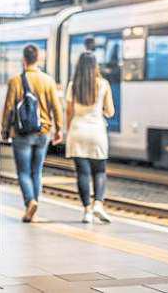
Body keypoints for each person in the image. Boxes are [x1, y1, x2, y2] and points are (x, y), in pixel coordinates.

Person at [1, 44, 63, 223]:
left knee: (23, 172)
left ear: (24, 60)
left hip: (21, 133)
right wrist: (58, 129)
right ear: (39, 59)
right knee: (37, 172)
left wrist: (4, 130)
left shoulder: (15, 81)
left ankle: (30, 201)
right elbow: (56, 108)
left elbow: (8, 108)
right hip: (43, 131)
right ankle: (34, 208)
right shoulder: (48, 80)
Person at [65, 52, 115, 224]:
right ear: (95, 66)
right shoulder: (103, 84)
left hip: (77, 131)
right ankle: (98, 205)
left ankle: (87, 211)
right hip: (97, 132)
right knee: (100, 170)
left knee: (83, 173)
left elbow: (69, 112)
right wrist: (99, 109)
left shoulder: (73, 85)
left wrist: (66, 130)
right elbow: (110, 112)